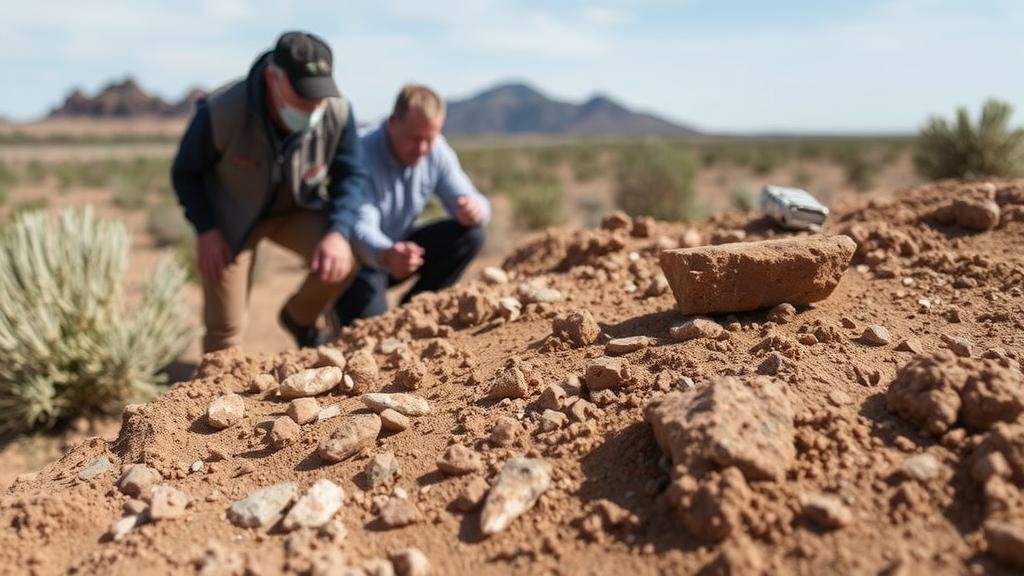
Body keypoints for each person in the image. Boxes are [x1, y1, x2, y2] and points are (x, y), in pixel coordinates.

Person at [171, 31, 365, 352]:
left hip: (295, 211)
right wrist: (206, 229)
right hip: (230, 222)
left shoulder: (337, 112)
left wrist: (338, 233)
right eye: (304, 94)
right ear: (274, 78)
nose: (315, 104)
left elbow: (351, 174)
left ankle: (298, 318)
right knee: (225, 332)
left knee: (348, 255)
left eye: (321, 93)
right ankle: (215, 391)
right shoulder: (221, 111)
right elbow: (186, 173)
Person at [334, 84, 490, 326]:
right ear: (392, 122)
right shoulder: (361, 151)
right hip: (359, 261)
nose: (423, 149)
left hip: (402, 249)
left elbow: (475, 200)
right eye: (415, 138)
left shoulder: (435, 150)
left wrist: (474, 210)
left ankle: (415, 311)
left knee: (471, 234)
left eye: (430, 138)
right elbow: (361, 225)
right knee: (371, 327)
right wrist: (388, 253)